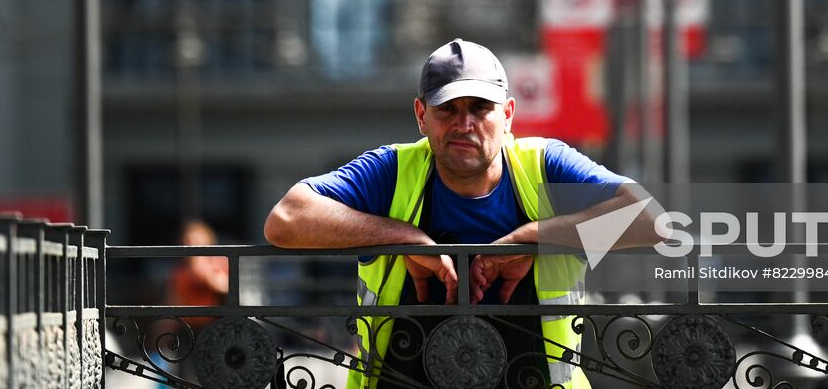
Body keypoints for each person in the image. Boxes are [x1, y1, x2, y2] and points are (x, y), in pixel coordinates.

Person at [264, 39, 649, 389]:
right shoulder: (393, 170)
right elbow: (285, 221)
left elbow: (651, 220)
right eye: (447, 109)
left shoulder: (545, 165)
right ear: (421, 115)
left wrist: (532, 238)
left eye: (481, 108)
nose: (464, 125)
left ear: (508, 114)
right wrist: (405, 239)